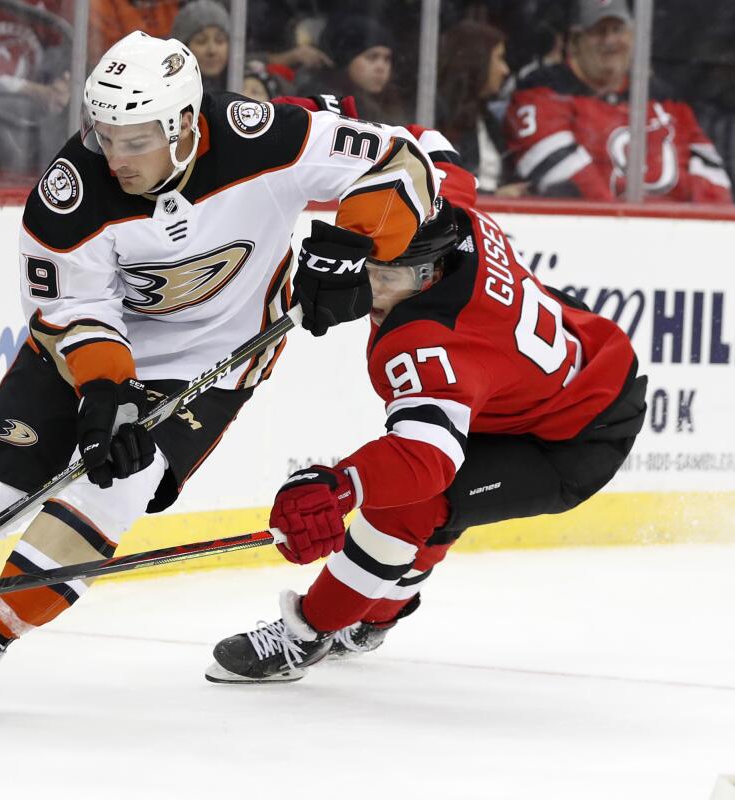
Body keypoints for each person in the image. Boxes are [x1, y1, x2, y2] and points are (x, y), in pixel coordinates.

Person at [0, 29, 438, 713]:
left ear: (187, 125)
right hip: (91, 352)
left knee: (116, 488)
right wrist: (107, 392)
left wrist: (350, 248)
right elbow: (70, 308)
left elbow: (405, 162)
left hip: (214, 360)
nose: (117, 156)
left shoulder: (260, 138)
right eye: (106, 135)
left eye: (136, 140)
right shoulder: (70, 193)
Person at [205, 147, 648, 685]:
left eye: (390, 277)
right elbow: (428, 151)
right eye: (368, 271)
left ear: (430, 270)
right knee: (436, 505)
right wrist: (334, 122)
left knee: (410, 506)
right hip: (560, 376)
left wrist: (340, 486)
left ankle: (305, 635)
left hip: (575, 439)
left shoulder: (427, 344)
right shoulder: (452, 212)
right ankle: (377, 617)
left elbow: (426, 460)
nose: (373, 291)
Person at [504, 0, 732, 203]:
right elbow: (563, 176)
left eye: (618, 30)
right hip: (590, 233)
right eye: (598, 31)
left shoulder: (663, 98)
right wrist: (620, 221)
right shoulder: (544, 91)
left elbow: (711, 178)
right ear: (575, 41)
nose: (610, 41)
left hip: (676, 232)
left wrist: (704, 225)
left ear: (634, 38)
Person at [436, 20, 525, 196]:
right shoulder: (439, 117)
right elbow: (441, 187)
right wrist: (494, 196)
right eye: (499, 58)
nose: (505, 70)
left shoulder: (488, 118)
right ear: (477, 61)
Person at [295, 15, 405, 125]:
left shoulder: (388, 104)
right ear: (346, 61)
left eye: (387, 59)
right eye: (372, 57)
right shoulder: (321, 102)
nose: (381, 67)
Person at [169, 0, 228, 93]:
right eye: (201, 41)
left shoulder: (247, 84)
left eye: (219, 40)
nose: (212, 50)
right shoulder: (169, 91)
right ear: (183, 47)